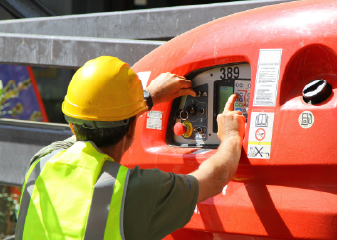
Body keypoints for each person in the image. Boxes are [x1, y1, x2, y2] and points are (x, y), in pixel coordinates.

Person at [15, 56, 245, 240]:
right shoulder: (134, 190)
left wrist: (145, 100)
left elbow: (84, 130)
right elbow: (216, 178)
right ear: (131, 131)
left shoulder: (43, 161)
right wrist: (232, 136)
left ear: (72, 125)